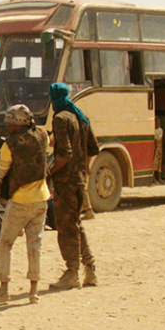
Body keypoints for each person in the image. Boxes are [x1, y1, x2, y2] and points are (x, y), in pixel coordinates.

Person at [0, 105, 50, 305]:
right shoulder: (42, 135)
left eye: (10, 123)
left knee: (6, 243)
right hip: (42, 198)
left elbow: (1, 173)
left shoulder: (10, 145)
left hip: (21, 201)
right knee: (35, 245)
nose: (7, 127)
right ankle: (33, 291)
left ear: (17, 124)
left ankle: (4, 290)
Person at [48, 83, 100, 290]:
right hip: (79, 180)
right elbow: (93, 148)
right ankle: (90, 268)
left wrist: (49, 172)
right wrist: (83, 169)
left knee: (66, 228)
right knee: (76, 225)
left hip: (66, 182)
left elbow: (64, 154)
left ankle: (72, 272)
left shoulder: (61, 119)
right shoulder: (80, 117)